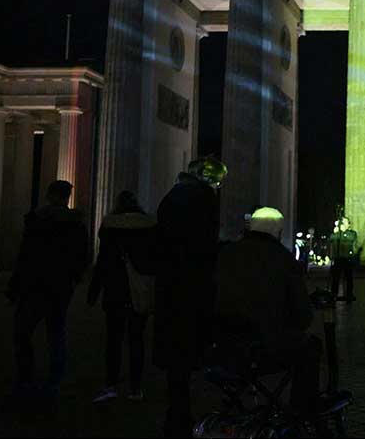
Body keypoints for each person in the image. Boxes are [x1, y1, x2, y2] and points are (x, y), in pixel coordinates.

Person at [213, 207, 323, 411]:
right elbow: (303, 317)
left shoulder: (225, 254)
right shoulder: (284, 259)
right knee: (311, 347)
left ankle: (235, 402)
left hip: (223, 346)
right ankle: (302, 410)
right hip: (264, 348)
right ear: (278, 232)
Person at [153, 156, 226, 438]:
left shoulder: (173, 196)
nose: (219, 187)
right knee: (189, 351)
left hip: (170, 286)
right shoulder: (203, 197)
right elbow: (205, 245)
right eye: (218, 181)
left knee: (176, 362)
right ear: (210, 178)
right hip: (192, 287)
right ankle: (184, 418)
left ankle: (176, 415)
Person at [6, 180, 89, 400]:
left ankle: (26, 377)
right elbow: (83, 256)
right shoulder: (76, 223)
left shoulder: (36, 220)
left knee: (22, 332)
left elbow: (25, 256)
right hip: (60, 285)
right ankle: (54, 380)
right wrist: (74, 277)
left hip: (35, 284)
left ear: (49, 195)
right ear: (66, 198)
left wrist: (15, 284)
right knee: (56, 332)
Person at [87, 190, 156, 403]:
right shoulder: (148, 226)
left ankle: (111, 385)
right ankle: (135, 388)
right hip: (138, 290)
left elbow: (103, 262)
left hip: (115, 289)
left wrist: (93, 291)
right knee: (136, 340)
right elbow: (155, 259)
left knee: (114, 341)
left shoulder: (110, 227)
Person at [330, 215, 359, 301]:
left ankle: (349, 294)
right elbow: (331, 239)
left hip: (347, 258)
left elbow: (351, 239)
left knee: (349, 278)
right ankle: (333, 294)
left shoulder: (352, 233)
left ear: (348, 224)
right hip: (338, 258)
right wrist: (336, 233)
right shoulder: (337, 233)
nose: (342, 223)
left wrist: (344, 233)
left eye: (344, 222)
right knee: (335, 278)